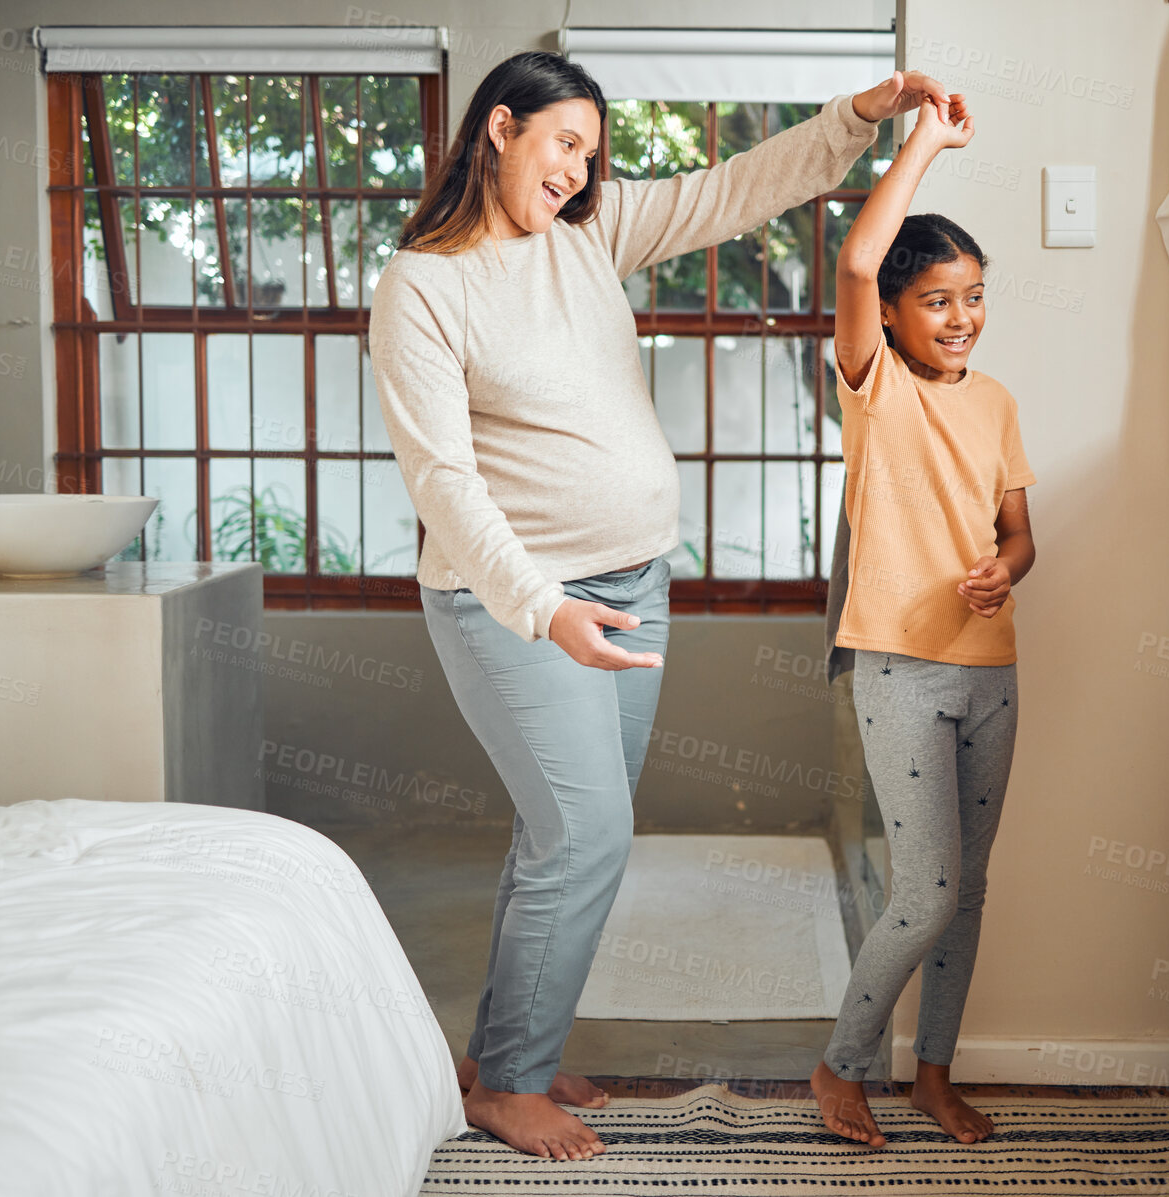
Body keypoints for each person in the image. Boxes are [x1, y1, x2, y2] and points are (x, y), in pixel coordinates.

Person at [368, 49, 954, 1163]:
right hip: (513, 604)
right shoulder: (423, 287)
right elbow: (443, 483)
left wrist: (861, 115)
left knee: (564, 836)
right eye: (562, 145)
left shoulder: (590, 234)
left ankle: (504, 1054)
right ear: (499, 129)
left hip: (635, 586)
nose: (578, 171)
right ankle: (513, 1086)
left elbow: (742, 186)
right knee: (585, 832)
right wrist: (545, 610)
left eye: (591, 152)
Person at [813, 90, 1037, 1148]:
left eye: (976, 296)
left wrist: (1005, 570)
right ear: (896, 316)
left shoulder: (994, 402)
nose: (962, 318)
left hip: (989, 672)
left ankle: (932, 1075)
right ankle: (839, 1066)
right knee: (927, 890)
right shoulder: (874, 392)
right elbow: (857, 262)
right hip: (899, 670)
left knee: (968, 891)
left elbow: (1020, 535)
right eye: (940, 300)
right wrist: (923, 145)